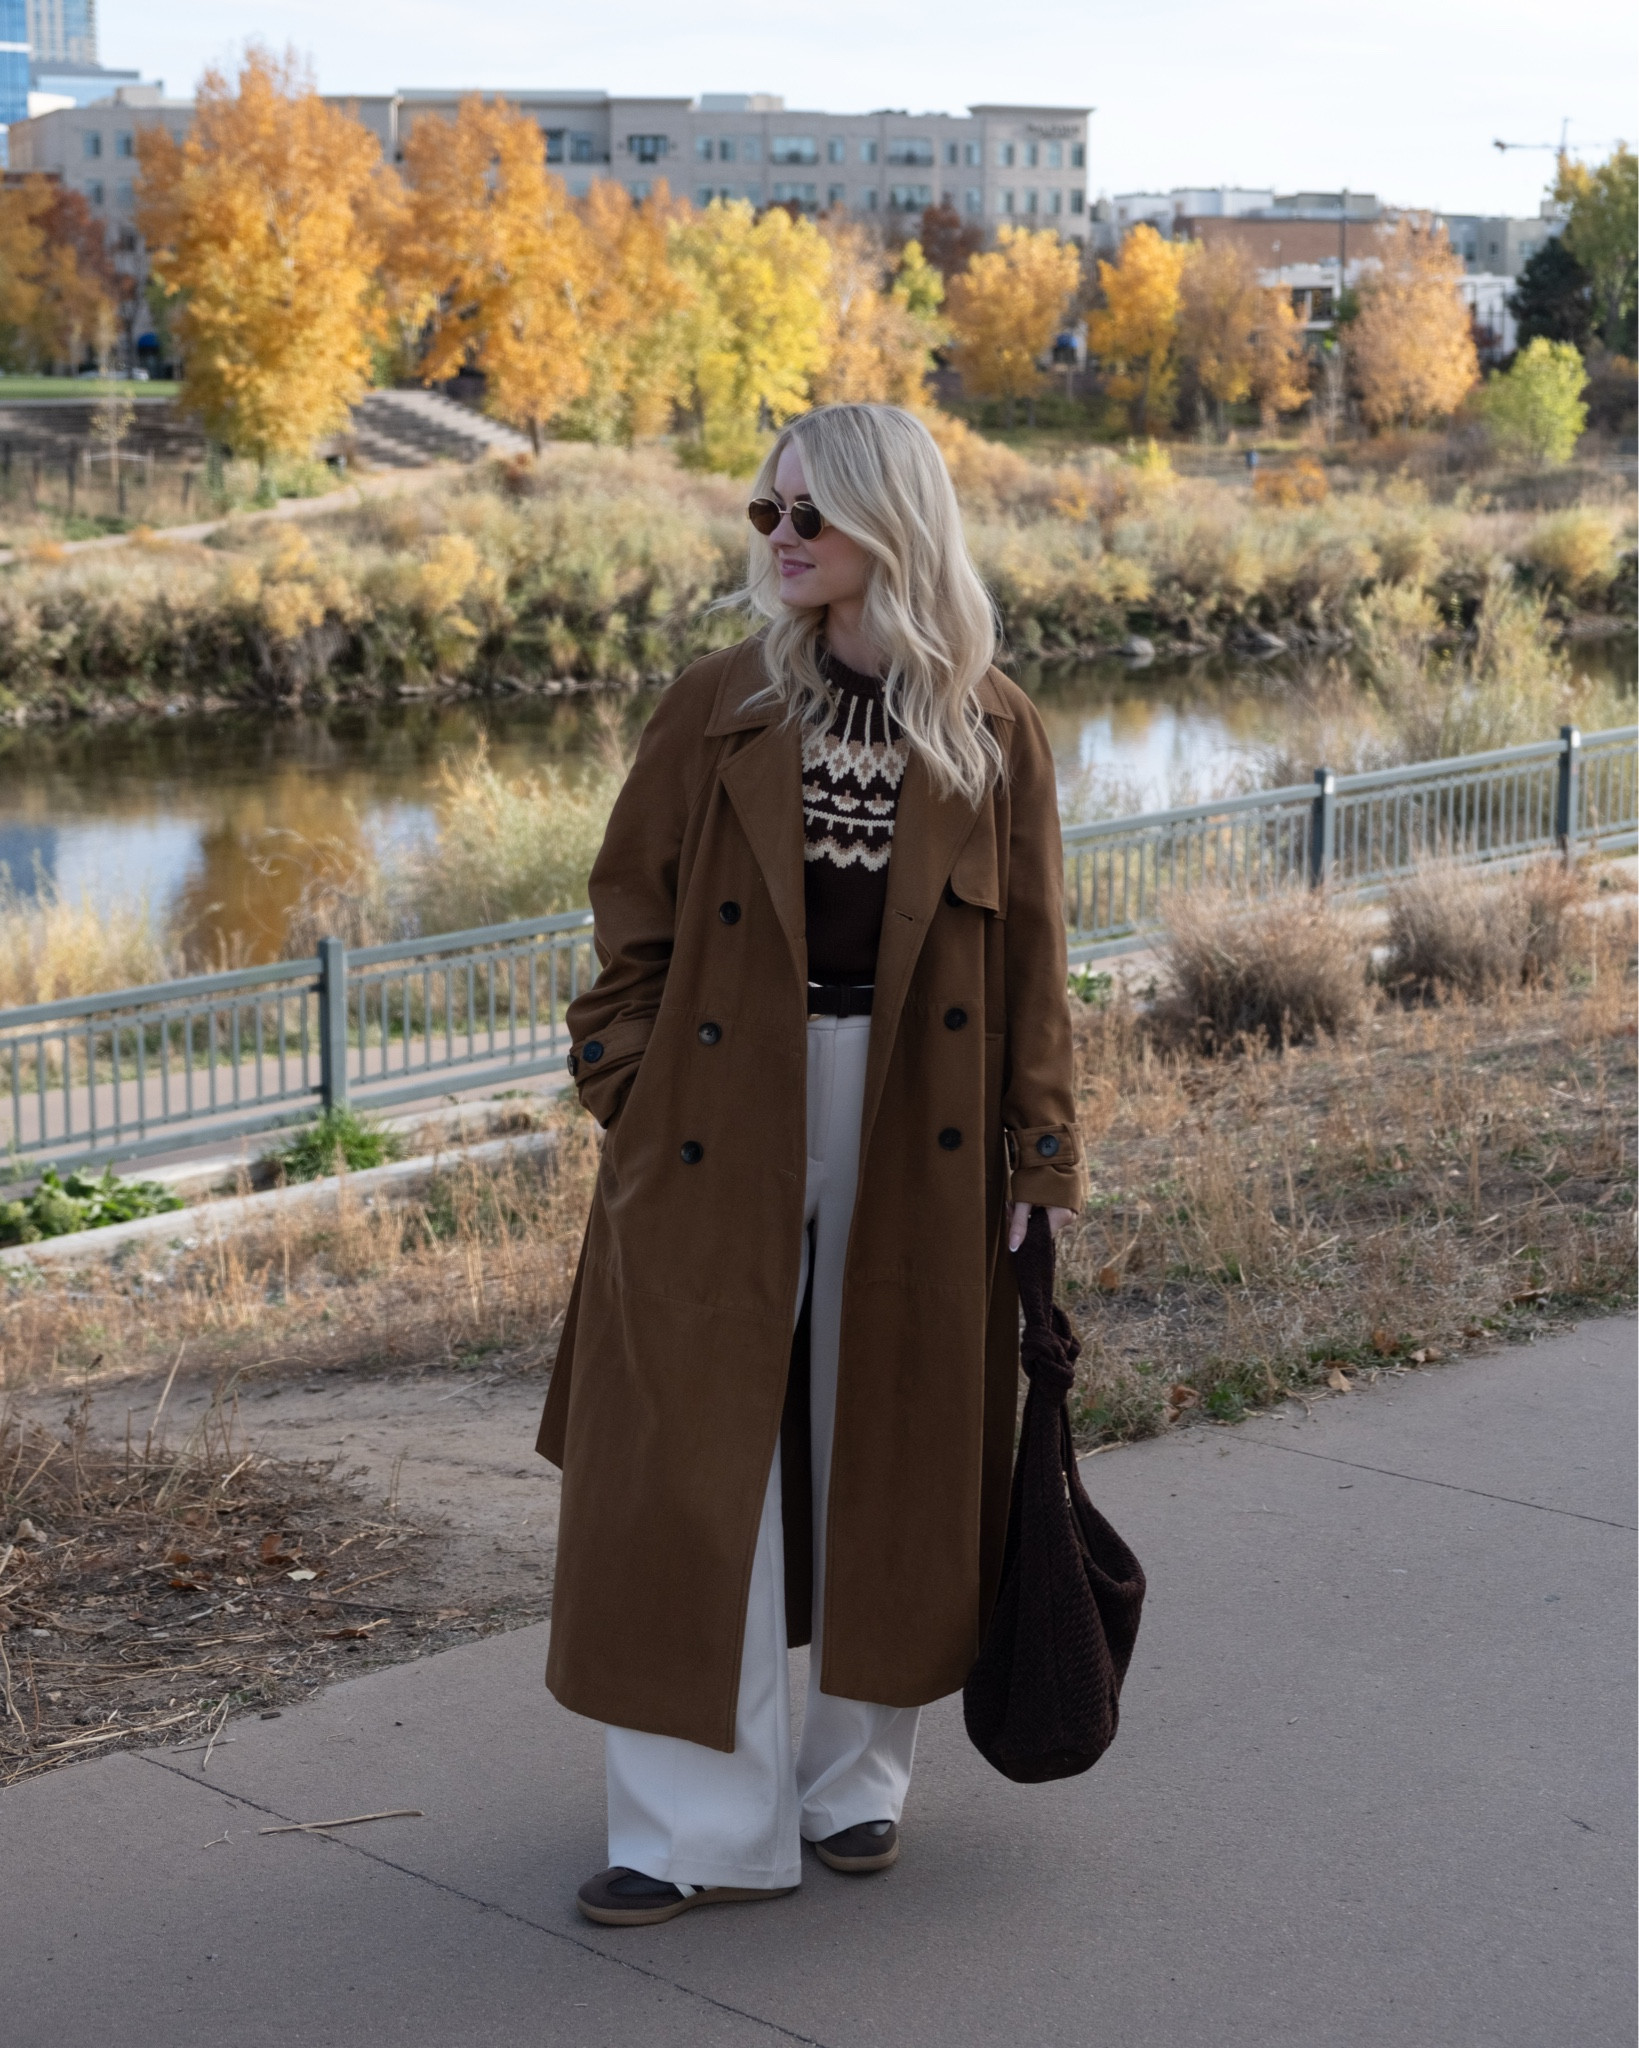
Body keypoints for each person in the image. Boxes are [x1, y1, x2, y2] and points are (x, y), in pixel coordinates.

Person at [536, 401, 1086, 1928]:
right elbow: (626, 915)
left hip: (926, 1122)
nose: (777, 541)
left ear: (886, 532)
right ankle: (683, 1829)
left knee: (891, 1445)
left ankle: (857, 1787)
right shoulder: (718, 705)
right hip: (719, 1122)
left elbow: (1039, 962)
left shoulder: (992, 727)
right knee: (688, 1471)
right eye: (764, 514)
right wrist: (627, 1088)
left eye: (806, 518)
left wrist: (1042, 1157)